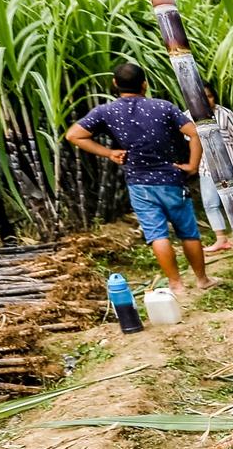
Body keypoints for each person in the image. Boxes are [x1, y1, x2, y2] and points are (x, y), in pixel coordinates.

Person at [65, 61, 208, 291]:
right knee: (188, 232)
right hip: (171, 178)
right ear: (145, 84)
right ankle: (202, 280)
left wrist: (109, 153)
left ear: (115, 84)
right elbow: (194, 132)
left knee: (157, 235)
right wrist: (192, 164)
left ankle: (176, 284)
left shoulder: (106, 111)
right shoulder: (163, 107)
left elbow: (73, 135)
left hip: (139, 183)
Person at [197, 84, 233, 255]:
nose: (206, 101)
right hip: (206, 168)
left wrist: (230, 157)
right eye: (202, 98)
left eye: (210, 96)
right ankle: (221, 239)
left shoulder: (225, 114)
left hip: (231, 165)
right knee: (210, 203)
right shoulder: (188, 117)